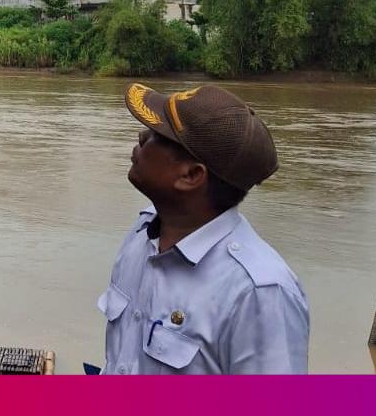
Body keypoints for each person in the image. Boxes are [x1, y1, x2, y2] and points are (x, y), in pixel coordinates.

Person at [97, 83, 309, 374]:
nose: (142, 136)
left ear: (191, 175)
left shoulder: (258, 294)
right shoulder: (144, 231)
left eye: (158, 135)